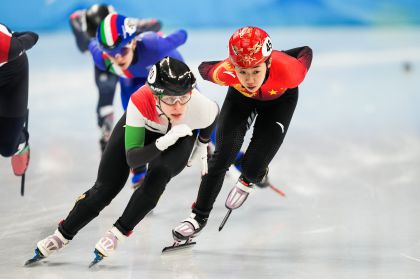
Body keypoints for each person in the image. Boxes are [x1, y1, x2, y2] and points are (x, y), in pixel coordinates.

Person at [27, 57, 218, 264]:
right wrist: (163, 142)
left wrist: (202, 142)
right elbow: (133, 159)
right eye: (170, 99)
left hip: (181, 134)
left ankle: (116, 234)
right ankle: (61, 235)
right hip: (147, 130)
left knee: (159, 174)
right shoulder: (140, 100)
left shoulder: (200, 106)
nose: (178, 105)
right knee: (105, 188)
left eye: (183, 97)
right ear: (155, 96)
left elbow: (213, 114)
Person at [172, 26, 313, 240]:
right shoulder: (225, 72)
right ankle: (197, 216)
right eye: (242, 72)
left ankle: (255, 175)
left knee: (252, 167)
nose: (249, 80)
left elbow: (305, 51)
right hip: (241, 100)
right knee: (222, 157)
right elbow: (203, 68)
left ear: (267, 63)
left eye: (256, 71)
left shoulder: (290, 71)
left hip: (280, 101)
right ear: (233, 67)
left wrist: (279, 55)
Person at [89, 12, 187, 188]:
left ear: (133, 42)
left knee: (192, 113)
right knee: (134, 120)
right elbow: (90, 43)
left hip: (166, 70)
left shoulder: (153, 45)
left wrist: (150, 34)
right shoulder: (101, 59)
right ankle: (139, 170)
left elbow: (182, 34)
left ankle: (232, 155)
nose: (118, 57)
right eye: (111, 53)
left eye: (123, 50)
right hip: (132, 78)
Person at [69, 4, 162, 153]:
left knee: (132, 93)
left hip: (127, 63)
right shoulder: (86, 36)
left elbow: (155, 24)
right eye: (100, 40)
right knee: (107, 90)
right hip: (107, 63)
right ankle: (107, 129)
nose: (109, 45)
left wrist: (139, 33)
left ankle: (142, 126)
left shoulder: (126, 27)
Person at [0, 23, 38, 176]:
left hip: (13, 73)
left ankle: (20, 139)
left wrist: (14, 36)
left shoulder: (7, 47)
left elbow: (33, 36)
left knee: (7, 148)